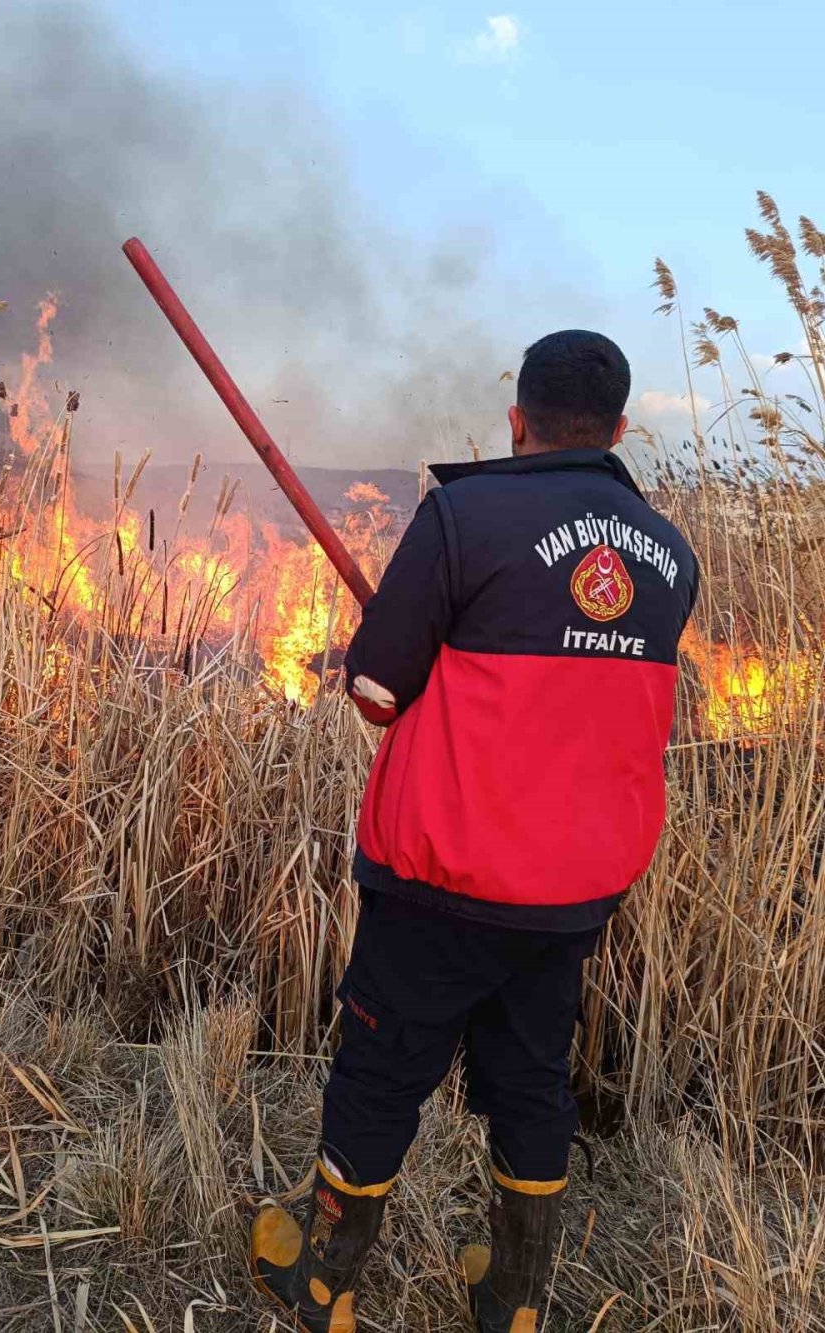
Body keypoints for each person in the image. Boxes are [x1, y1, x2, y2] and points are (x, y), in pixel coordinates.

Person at [250, 330, 699, 1333]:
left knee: (381, 1068)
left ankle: (323, 1281)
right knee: (532, 1077)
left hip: (446, 875)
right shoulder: (672, 554)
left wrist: (403, 653)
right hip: (575, 888)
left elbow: (372, 690)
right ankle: (515, 1299)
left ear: (514, 419)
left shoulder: (463, 514)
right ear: (619, 429)